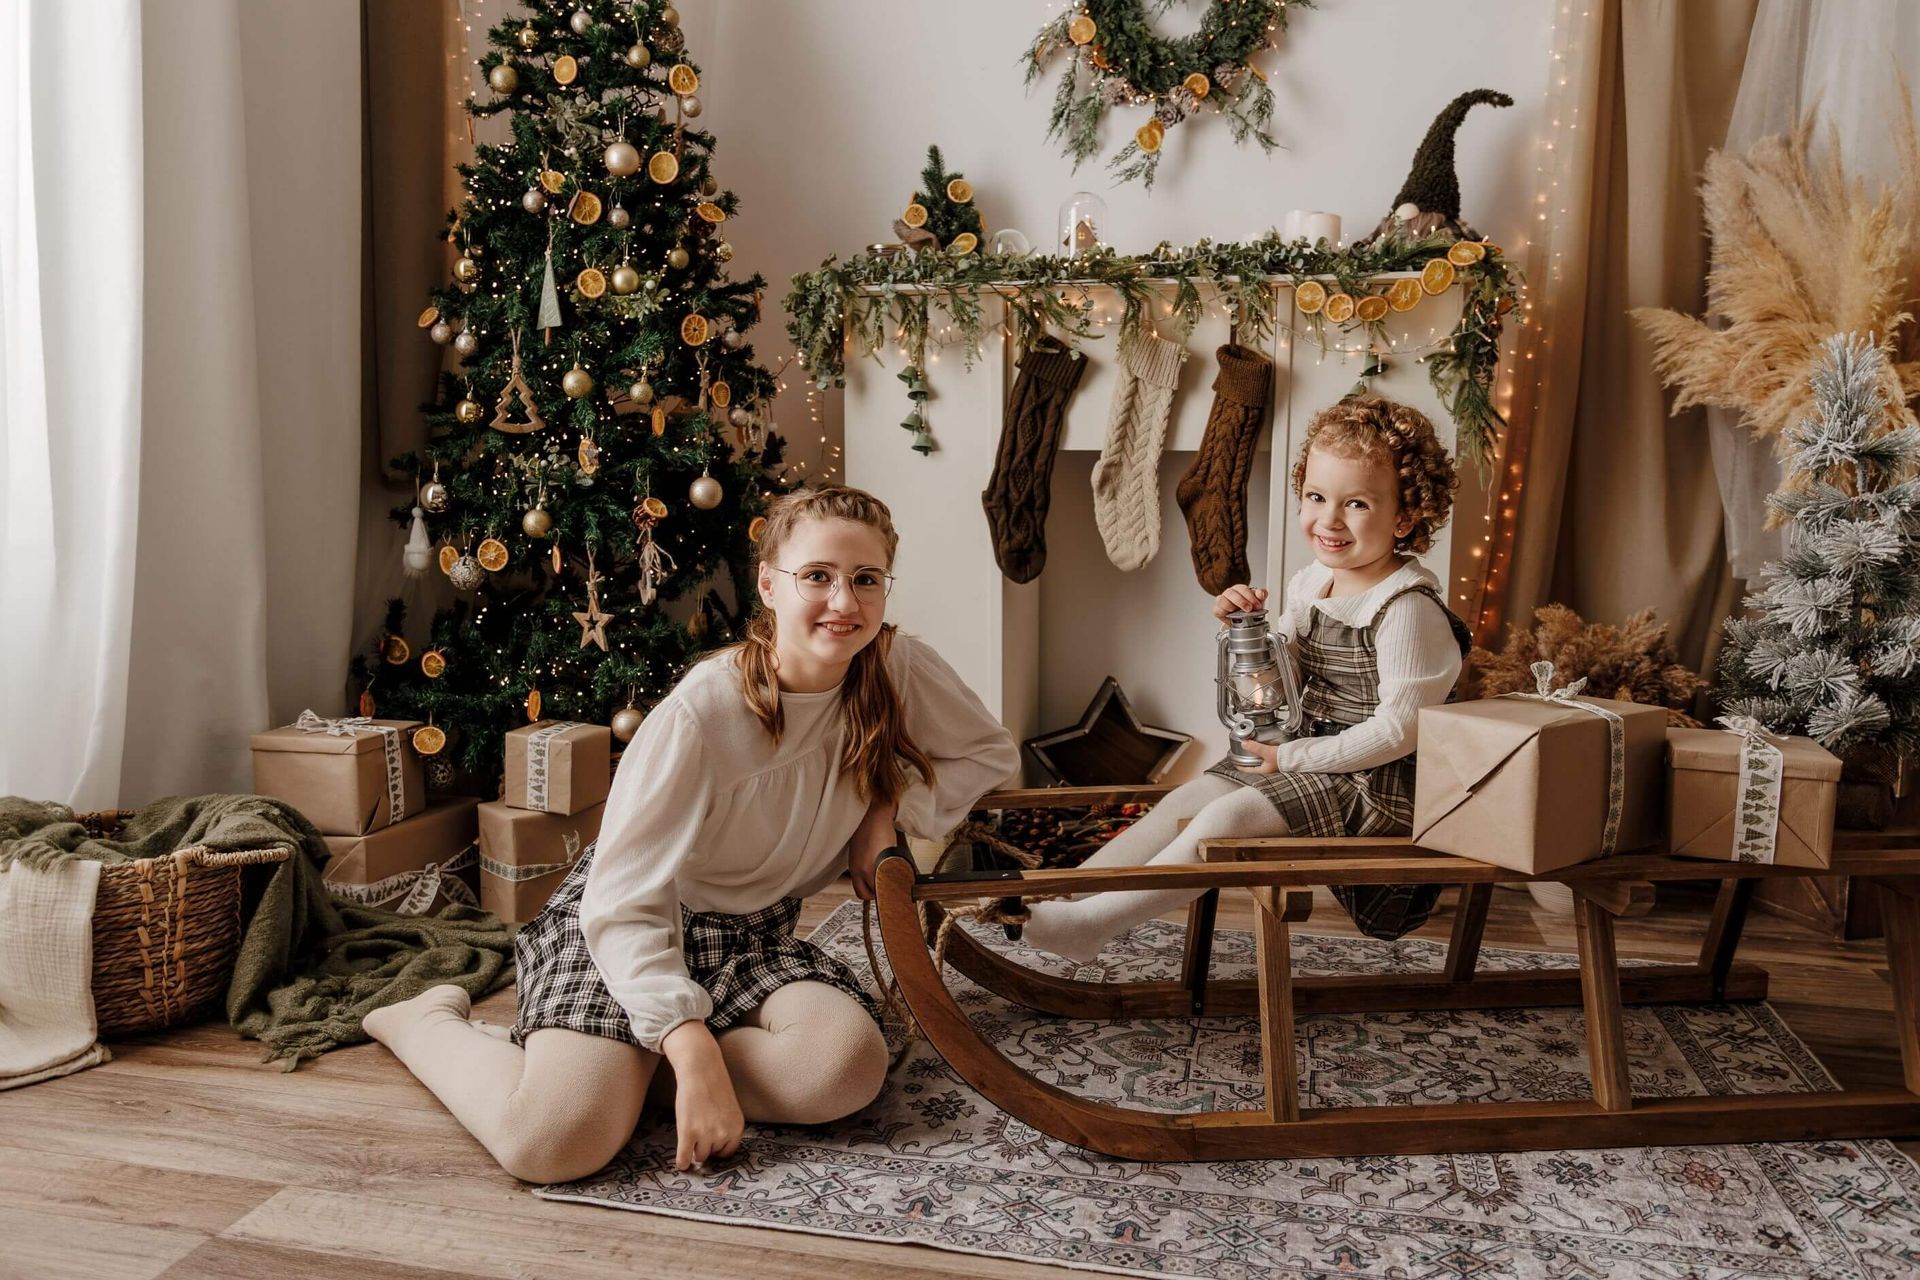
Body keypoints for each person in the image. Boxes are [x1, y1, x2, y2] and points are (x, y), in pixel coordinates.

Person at [366, 485, 1019, 1183]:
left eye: (866, 579)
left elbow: (988, 754)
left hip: (752, 935)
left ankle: (627, 1072)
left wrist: (881, 808)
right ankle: (427, 1024)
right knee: (552, 1144)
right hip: (630, 924)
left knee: (845, 1070)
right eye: (817, 576)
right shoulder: (705, 711)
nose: (844, 601)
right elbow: (621, 901)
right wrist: (691, 1044)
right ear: (768, 585)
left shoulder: (893, 665)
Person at [1022, 394, 1472, 963]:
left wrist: (1292, 758)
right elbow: (1277, 681)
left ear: (1404, 518)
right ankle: (1063, 896)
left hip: (1375, 785)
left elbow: (1399, 732)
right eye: (1316, 497)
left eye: (1356, 503)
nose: (1329, 520)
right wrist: (1246, 629)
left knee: (1228, 816)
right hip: (1304, 757)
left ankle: (1090, 926)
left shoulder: (1406, 610)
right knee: (1188, 797)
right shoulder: (1313, 582)